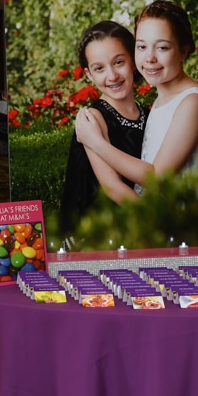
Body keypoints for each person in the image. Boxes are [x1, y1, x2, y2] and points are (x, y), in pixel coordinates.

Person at [74, 0, 198, 190]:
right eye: (142, 47)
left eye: (162, 47)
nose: (150, 58)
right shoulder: (162, 101)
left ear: (183, 50)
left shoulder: (192, 102)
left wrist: (95, 142)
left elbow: (158, 177)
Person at [58, 21, 147, 238]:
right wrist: (159, 221)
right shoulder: (94, 118)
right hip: (96, 231)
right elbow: (113, 188)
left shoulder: (148, 113)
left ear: (134, 61)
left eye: (118, 62)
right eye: (99, 68)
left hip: (132, 224)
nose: (112, 76)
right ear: (89, 74)